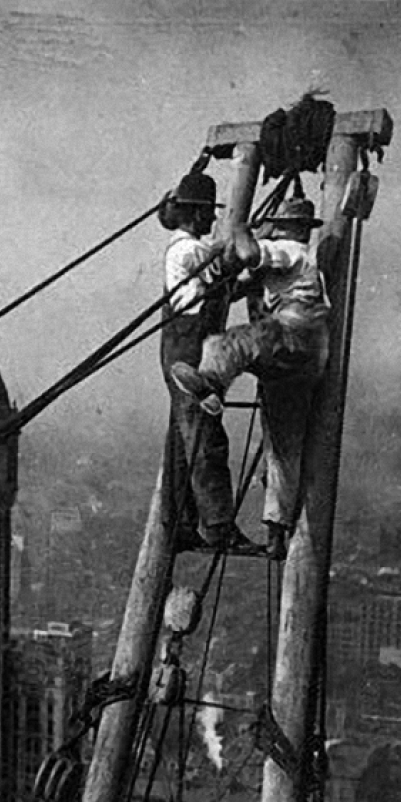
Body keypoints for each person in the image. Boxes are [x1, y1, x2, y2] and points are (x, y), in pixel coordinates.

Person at [170, 196, 330, 559]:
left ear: (287, 228)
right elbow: (238, 283)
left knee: (231, 342)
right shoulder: (300, 263)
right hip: (305, 357)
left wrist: (244, 226)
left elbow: (245, 251)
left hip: (293, 333)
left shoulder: (290, 250)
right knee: (283, 447)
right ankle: (277, 533)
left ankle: (210, 382)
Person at [159, 171, 260, 553]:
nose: (211, 220)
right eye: (207, 213)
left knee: (183, 441)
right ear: (194, 213)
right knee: (206, 438)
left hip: (181, 350)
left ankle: (180, 523)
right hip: (191, 355)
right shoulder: (190, 251)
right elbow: (230, 261)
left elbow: (223, 287)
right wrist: (250, 237)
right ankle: (217, 525)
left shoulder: (185, 251)